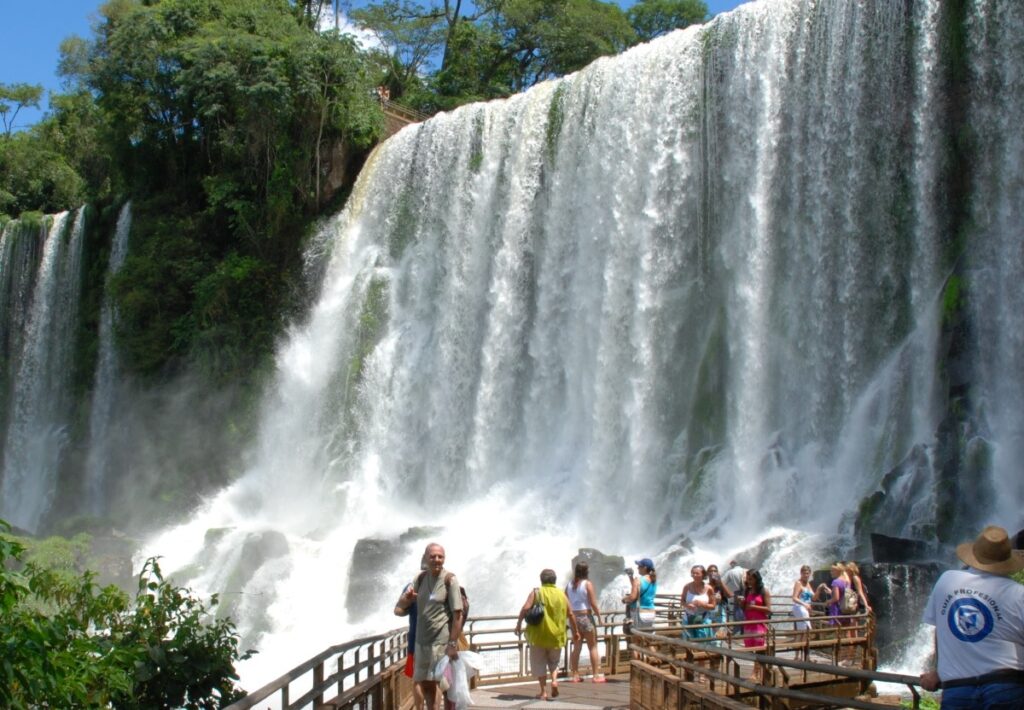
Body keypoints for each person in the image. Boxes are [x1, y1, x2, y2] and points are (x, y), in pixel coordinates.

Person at [919, 525, 1024, 709]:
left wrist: (938, 670)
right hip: (1005, 685)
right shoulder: (1018, 593)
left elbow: (940, 631)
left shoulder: (947, 581)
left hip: (957, 689)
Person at [395, 543, 464, 709]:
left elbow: (457, 615)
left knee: (445, 686)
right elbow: (399, 609)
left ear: (444, 558)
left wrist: (452, 644)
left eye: (440, 556)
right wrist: (407, 598)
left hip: (440, 644)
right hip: (421, 644)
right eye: (433, 556)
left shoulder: (450, 580)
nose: (437, 560)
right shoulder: (420, 579)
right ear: (426, 558)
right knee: (426, 685)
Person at [515, 569, 578, 701]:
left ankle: (543, 692)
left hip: (538, 635)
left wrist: (519, 624)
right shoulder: (562, 594)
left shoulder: (537, 592)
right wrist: (576, 631)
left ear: (541, 580)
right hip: (557, 636)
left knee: (539, 663)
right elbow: (571, 614)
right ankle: (554, 681)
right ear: (554, 580)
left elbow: (526, 608)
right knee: (554, 662)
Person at [566, 561, 605, 682]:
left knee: (576, 647)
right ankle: (596, 675)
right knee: (592, 647)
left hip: (574, 618)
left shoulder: (569, 585)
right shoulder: (587, 584)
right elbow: (593, 603)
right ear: (586, 571)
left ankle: (575, 675)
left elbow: (565, 601)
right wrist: (599, 616)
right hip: (586, 617)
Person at [740, 569, 771, 683]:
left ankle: (755, 673)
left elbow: (768, 610)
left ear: (756, 579)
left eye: (751, 579)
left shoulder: (764, 591)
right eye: (747, 579)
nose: (748, 581)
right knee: (751, 648)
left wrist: (753, 607)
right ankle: (761, 669)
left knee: (759, 648)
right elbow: (745, 608)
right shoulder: (747, 591)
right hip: (749, 623)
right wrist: (742, 603)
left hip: (759, 623)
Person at [680, 564, 716, 641]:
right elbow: (682, 601)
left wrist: (702, 604)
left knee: (703, 643)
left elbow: (713, 605)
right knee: (688, 642)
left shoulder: (709, 588)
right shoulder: (687, 587)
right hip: (688, 618)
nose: (694, 575)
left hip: (703, 619)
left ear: (703, 575)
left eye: (697, 573)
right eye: (693, 573)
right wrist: (687, 605)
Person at [817, 563, 853, 633]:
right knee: (846, 632)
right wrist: (831, 592)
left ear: (838, 570)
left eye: (832, 570)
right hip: (846, 609)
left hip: (837, 610)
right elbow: (843, 595)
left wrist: (827, 602)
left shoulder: (836, 582)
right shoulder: (847, 581)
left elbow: (836, 598)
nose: (831, 572)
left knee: (837, 632)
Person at [623, 558, 658, 629]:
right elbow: (640, 588)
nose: (637, 568)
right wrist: (631, 577)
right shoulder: (654, 581)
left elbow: (632, 597)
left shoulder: (638, 580)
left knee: (637, 637)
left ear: (645, 568)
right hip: (651, 612)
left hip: (639, 613)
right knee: (647, 636)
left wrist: (624, 599)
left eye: (639, 566)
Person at [791, 565, 815, 633]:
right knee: (805, 630)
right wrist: (805, 604)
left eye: (807, 573)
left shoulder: (808, 584)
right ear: (801, 573)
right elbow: (794, 598)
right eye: (804, 573)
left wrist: (820, 588)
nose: (806, 575)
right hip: (800, 608)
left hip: (806, 609)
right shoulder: (798, 583)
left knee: (803, 631)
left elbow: (814, 597)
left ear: (810, 574)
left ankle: (800, 643)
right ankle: (803, 643)